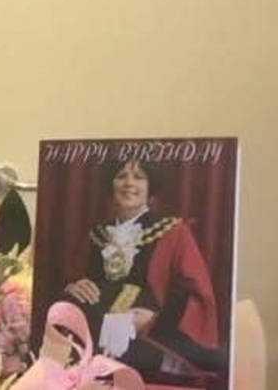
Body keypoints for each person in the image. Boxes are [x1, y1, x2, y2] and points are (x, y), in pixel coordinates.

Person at [63, 158, 223, 377]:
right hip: (92, 338)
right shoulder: (95, 235)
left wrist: (154, 320)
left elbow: (197, 293)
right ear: (111, 184)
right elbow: (74, 280)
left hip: (148, 341)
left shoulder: (174, 232)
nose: (129, 183)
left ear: (151, 187)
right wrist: (73, 288)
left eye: (139, 177)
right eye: (121, 176)